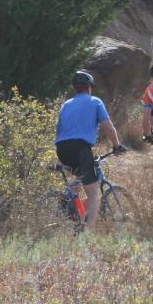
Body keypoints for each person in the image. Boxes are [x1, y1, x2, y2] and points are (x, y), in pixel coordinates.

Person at [55, 70, 123, 229]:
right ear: (89, 87)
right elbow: (108, 126)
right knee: (93, 192)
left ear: (75, 88)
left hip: (62, 148)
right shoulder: (95, 101)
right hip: (80, 148)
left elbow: (59, 129)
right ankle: (89, 232)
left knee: (80, 178)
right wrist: (117, 146)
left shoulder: (66, 104)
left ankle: (67, 205)